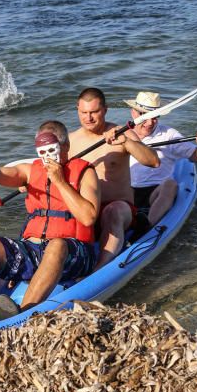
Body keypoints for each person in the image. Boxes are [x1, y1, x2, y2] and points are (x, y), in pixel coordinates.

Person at [0, 120, 100, 324]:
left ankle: (23, 313)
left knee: (56, 246)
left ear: (65, 147)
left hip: (75, 254)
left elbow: (88, 216)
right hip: (33, 249)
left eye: (52, 149)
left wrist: (60, 181)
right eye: (42, 150)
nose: (47, 156)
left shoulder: (86, 173)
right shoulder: (30, 171)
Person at [69, 87, 160, 270]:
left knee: (113, 211)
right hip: (87, 211)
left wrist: (126, 142)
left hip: (120, 209)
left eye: (94, 112)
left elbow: (153, 161)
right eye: (84, 112)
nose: (89, 118)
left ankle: (99, 270)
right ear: (77, 109)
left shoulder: (122, 133)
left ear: (105, 109)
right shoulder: (70, 141)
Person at [125, 91, 197, 225]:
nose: (150, 123)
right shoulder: (120, 134)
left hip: (156, 192)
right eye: (144, 115)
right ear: (133, 113)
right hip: (127, 192)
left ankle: (148, 226)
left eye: (154, 117)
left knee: (170, 184)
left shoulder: (169, 135)